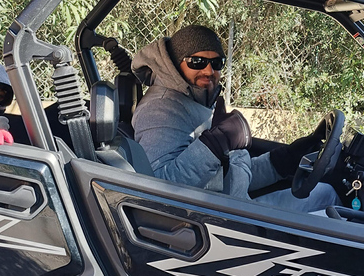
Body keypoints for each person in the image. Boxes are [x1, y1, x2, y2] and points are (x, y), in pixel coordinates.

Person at [131, 24, 338, 212]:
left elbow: (226, 177)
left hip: (236, 206)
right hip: (223, 223)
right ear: (176, 64)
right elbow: (159, 188)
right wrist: (215, 143)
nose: (209, 71)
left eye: (216, 63)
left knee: (327, 194)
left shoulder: (195, 100)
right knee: (334, 213)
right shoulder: (161, 109)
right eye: (197, 62)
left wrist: (282, 161)